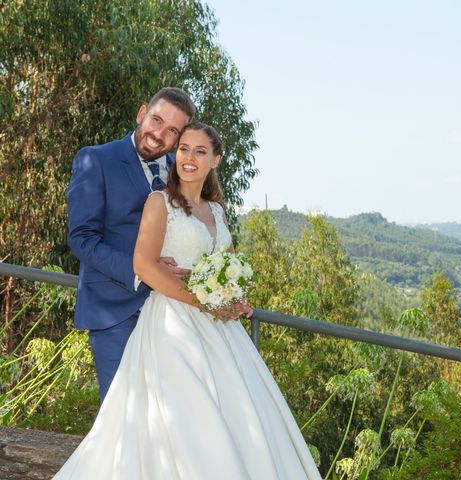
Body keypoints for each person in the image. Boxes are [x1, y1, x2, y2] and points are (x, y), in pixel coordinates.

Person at [54, 123, 321, 479]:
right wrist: (204, 301)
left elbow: (222, 266)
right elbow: (144, 266)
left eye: (199, 151)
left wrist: (235, 297)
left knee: (240, 414)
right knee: (188, 419)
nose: (188, 158)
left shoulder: (218, 211)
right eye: (183, 149)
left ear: (215, 160)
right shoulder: (158, 202)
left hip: (221, 331)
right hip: (171, 325)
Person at [67, 87, 195, 403]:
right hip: (115, 309)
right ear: (141, 114)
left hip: (172, 310)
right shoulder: (95, 159)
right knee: (122, 412)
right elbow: (82, 239)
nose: (159, 134)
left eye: (172, 131)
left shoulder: (182, 172)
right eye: (156, 120)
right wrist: (142, 270)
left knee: (168, 411)